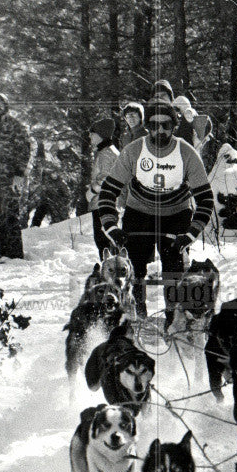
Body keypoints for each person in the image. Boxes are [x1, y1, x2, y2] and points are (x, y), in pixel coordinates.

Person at [96, 99, 214, 324]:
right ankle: (137, 316)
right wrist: (111, 227)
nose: (160, 130)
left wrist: (189, 234)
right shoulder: (134, 150)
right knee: (135, 268)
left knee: (172, 269)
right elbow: (108, 192)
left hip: (176, 214)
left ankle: (172, 318)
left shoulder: (186, 153)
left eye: (166, 125)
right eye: (154, 124)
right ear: (147, 125)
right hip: (139, 212)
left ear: (174, 126)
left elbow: (205, 199)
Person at [0, 92, 31, 259]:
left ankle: (16, 256)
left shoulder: (15, 125)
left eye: (0, 104)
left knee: (10, 216)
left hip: (9, 179)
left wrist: (19, 174)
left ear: (6, 106)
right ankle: (4, 254)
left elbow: (24, 150)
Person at [87, 118, 119, 255]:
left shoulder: (106, 154)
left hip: (103, 202)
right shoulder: (105, 151)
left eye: (92, 133)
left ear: (101, 135)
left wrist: (93, 190)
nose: (90, 136)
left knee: (103, 240)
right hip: (104, 202)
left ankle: (110, 270)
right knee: (105, 239)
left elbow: (106, 177)